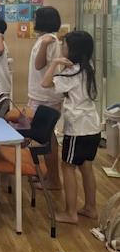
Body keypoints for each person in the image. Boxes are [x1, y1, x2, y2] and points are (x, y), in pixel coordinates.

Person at [41, 31, 101, 224]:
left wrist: (54, 63)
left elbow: (45, 83)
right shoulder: (88, 67)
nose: (62, 48)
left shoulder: (71, 73)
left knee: (67, 166)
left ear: (73, 50)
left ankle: (70, 213)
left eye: (65, 45)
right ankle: (90, 208)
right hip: (92, 126)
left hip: (78, 129)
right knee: (86, 166)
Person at [28, 6, 64, 189]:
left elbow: (39, 64)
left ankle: (54, 179)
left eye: (36, 18)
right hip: (40, 95)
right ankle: (50, 175)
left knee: (47, 137)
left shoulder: (50, 40)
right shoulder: (45, 39)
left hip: (46, 97)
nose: (34, 21)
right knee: (45, 137)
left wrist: (43, 45)